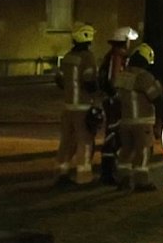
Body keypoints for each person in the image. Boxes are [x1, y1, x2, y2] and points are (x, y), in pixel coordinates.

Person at [113, 43, 163, 191]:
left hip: (125, 120)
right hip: (142, 121)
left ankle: (123, 178)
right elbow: (155, 96)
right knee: (144, 151)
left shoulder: (122, 75)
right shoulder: (144, 76)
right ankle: (142, 182)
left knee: (126, 150)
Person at [54, 24, 99, 186]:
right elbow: (89, 82)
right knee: (84, 141)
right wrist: (97, 92)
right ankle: (84, 175)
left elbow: (59, 80)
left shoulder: (67, 57)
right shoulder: (88, 57)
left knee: (66, 141)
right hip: (83, 107)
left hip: (67, 107)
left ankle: (62, 172)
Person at [96, 25, 138, 186]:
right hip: (115, 102)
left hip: (112, 100)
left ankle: (109, 170)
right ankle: (107, 172)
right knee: (113, 133)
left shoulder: (112, 55)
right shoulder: (117, 56)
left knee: (114, 133)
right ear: (124, 41)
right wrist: (118, 95)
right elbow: (114, 80)